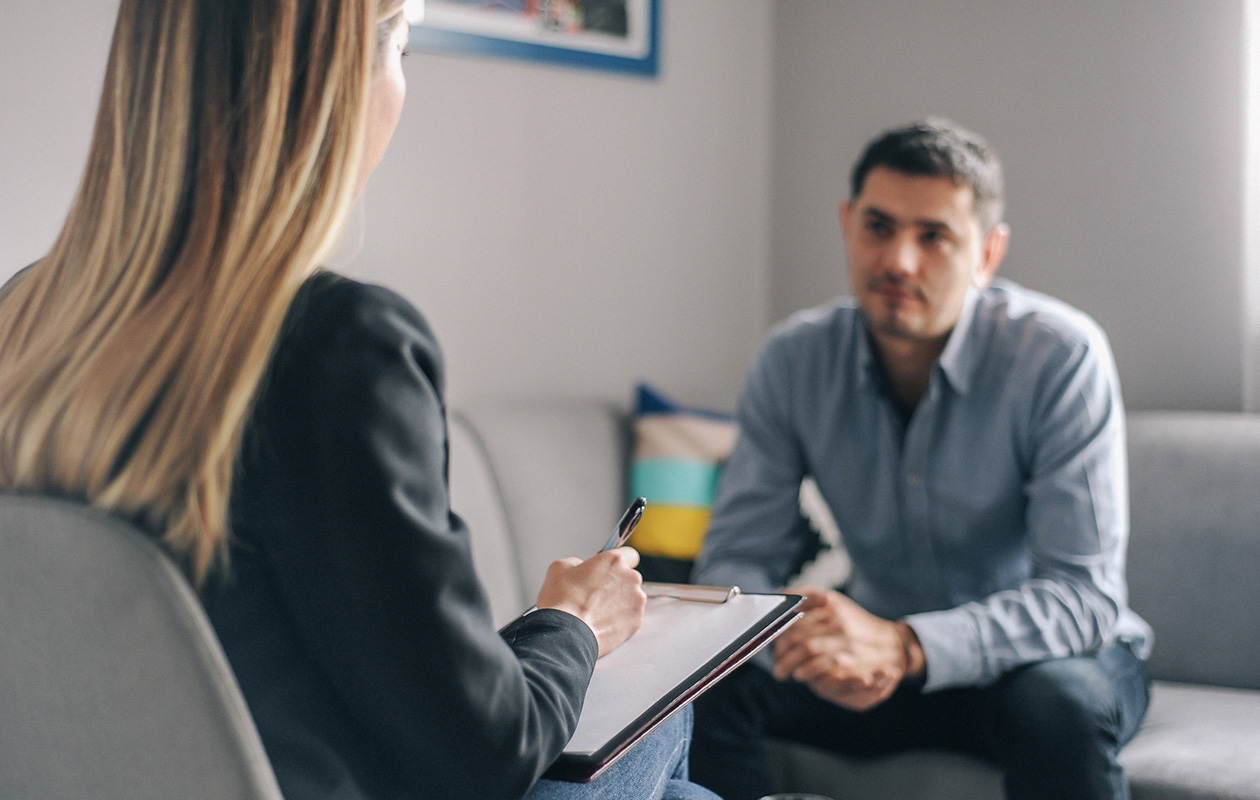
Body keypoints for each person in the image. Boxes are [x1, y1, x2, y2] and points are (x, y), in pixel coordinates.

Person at [0, 2, 718, 799]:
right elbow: (488, 753)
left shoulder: (24, 322)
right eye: (402, 46)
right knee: (662, 700)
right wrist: (575, 623)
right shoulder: (335, 348)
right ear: (336, 81)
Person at [687, 119, 1152, 800]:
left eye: (934, 236)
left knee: (1060, 705)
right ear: (847, 224)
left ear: (987, 254)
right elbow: (732, 562)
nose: (899, 261)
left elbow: (1084, 599)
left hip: (1036, 663)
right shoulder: (793, 361)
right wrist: (802, 634)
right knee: (705, 684)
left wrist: (905, 645)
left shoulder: (1059, 357)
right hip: (874, 664)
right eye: (878, 226)